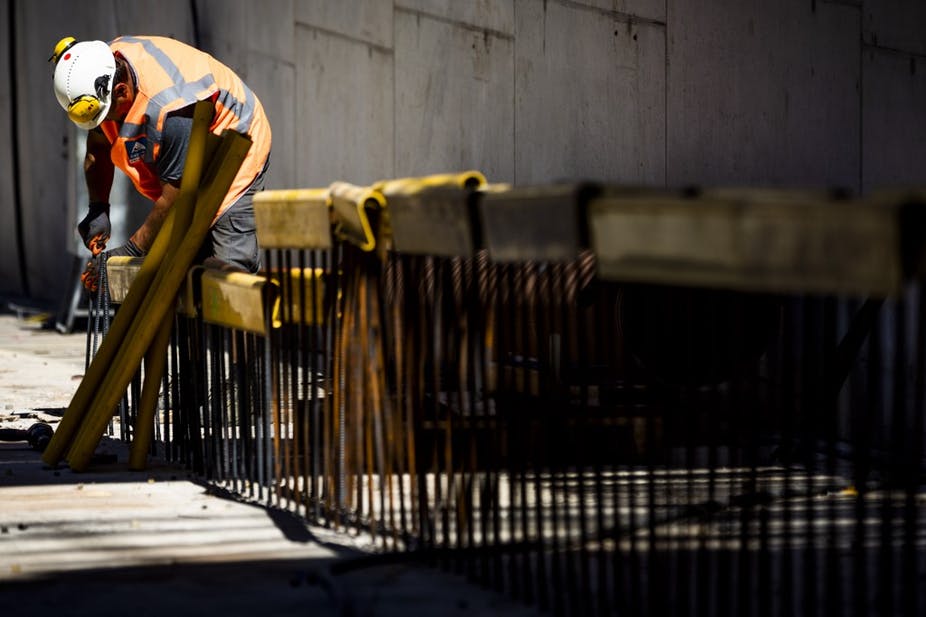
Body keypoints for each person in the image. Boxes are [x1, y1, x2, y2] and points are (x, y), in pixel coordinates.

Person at [49, 35, 272, 290]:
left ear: (122, 91)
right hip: (187, 157)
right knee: (184, 270)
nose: (102, 126)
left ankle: (237, 323)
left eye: (103, 115)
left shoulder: (171, 108)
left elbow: (175, 197)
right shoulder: (105, 67)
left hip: (235, 149)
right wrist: (98, 207)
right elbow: (98, 146)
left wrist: (130, 251)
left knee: (226, 277)